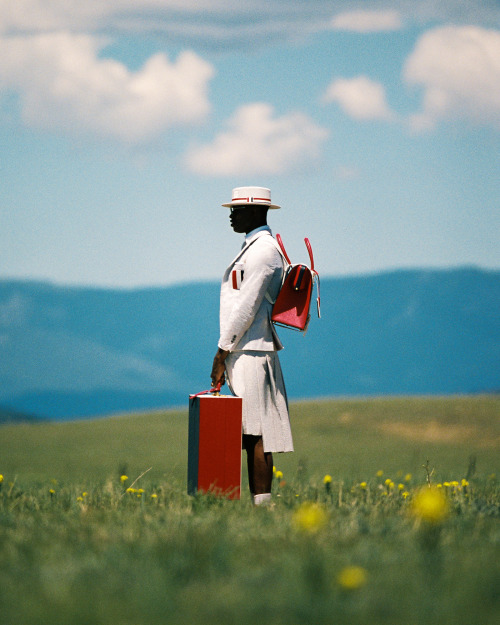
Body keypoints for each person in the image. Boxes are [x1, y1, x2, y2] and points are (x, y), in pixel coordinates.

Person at [210, 186, 293, 506]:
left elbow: (245, 306)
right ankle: (258, 504)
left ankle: (263, 507)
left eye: (237, 210)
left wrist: (222, 351)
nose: (231, 215)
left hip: (251, 350)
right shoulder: (255, 248)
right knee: (249, 432)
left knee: (257, 433)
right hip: (246, 348)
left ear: (256, 212)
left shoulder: (262, 251)